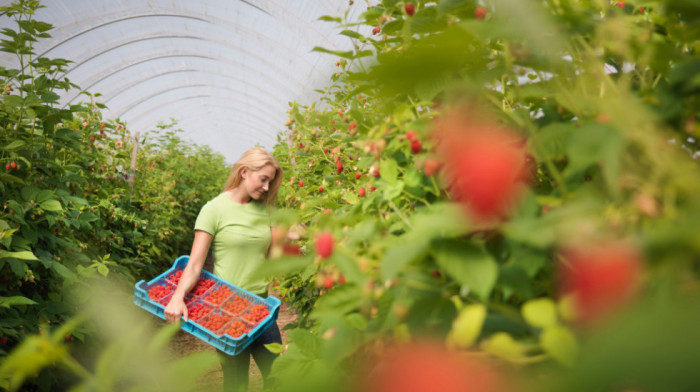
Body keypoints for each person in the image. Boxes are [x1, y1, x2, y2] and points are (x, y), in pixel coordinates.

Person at [164, 146, 284, 392]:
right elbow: (195, 263)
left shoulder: (267, 210)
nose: (266, 187)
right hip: (225, 311)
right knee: (236, 383)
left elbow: (274, 257)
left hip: (261, 309)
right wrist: (177, 297)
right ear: (244, 172)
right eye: (263, 179)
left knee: (279, 376)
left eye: (270, 182)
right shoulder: (214, 210)